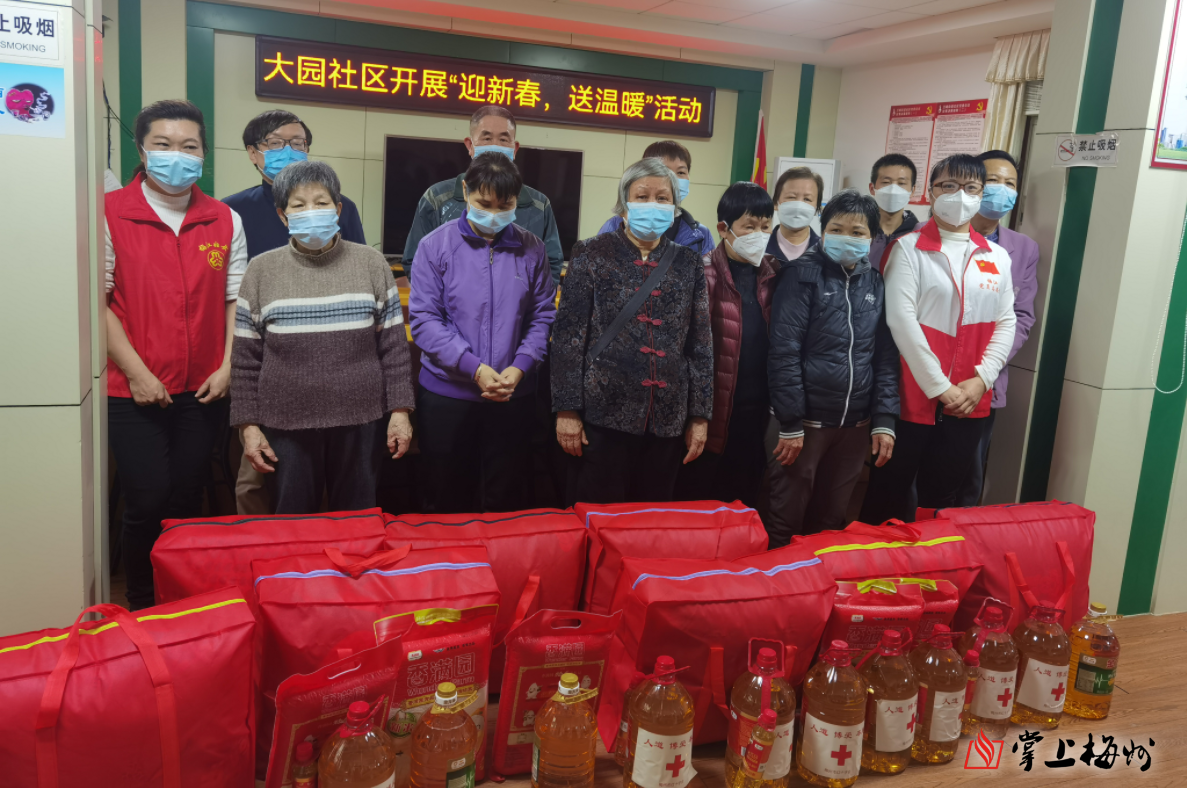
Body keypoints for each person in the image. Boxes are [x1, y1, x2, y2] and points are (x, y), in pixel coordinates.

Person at [105, 99, 248, 610]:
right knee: (146, 499)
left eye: (189, 146)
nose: (177, 156)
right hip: (132, 389)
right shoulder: (108, 212)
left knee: (187, 498)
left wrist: (228, 366)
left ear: (203, 154)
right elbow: (96, 304)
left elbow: (235, 300)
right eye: (163, 145)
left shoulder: (224, 219)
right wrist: (137, 373)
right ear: (142, 150)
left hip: (204, 388)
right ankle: (143, 603)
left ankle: (181, 603)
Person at [231, 160, 415, 514]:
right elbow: (245, 360)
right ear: (283, 215)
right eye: (299, 205)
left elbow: (393, 349)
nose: (311, 211)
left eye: (321, 202)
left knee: (357, 517)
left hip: (362, 417)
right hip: (285, 422)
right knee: (293, 519)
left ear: (338, 209)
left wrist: (400, 412)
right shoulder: (260, 270)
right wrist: (248, 427)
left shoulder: (372, 264)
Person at [223, 109, 368, 515]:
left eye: (298, 143)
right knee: (260, 478)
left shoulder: (342, 209)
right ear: (253, 153)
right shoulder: (232, 212)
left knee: (331, 479)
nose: (288, 150)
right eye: (275, 143)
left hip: (332, 363)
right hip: (264, 361)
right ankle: (267, 548)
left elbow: (355, 271)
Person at [859, 154, 1016, 524]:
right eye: (949, 186)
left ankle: (929, 561)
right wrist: (940, 387)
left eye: (971, 188)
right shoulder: (908, 249)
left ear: (980, 195)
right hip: (912, 398)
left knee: (942, 499)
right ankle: (876, 559)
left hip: (969, 401)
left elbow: (1006, 321)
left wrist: (982, 379)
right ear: (930, 193)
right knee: (888, 495)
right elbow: (901, 322)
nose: (960, 195)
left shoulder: (996, 256)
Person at [551, 158, 713, 503]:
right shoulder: (591, 253)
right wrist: (566, 410)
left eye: (662, 198)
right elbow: (568, 337)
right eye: (642, 196)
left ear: (675, 206)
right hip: (602, 414)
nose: (653, 204)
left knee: (651, 518)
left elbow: (700, 343)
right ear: (624, 204)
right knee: (597, 513)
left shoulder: (689, 262)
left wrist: (700, 416)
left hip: (668, 418)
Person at [409, 153, 556, 513]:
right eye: (483, 203)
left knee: (506, 499)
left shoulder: (533, 248)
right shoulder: (434, 246)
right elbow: (425, 320)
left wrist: (520, 367)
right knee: (445, 498)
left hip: (512, 394)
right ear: (465, 191)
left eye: (504, 206)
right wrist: (473, 368)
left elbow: (542, 316)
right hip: (448, 394)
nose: (493, 214)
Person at [766, 191, 899, 544]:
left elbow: (885, 356)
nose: (846, 237)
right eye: (837, 229)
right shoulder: (799, 275)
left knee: (831, 522)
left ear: (872, 237)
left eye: (857, 232)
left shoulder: (875, 282)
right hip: (805, 424)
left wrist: (884, 419)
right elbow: (784, 351)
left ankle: (820, 578)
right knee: (784, 519)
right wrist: (790, 422)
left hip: (855, 425)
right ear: (823, 231)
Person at [674, 182, 777, 507]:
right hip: (712, 412)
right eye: (749, 226)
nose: (759, 234)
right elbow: (687, 351)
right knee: (700, 501)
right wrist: (695, 416)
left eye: (765, 227)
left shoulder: (774, 274)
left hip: (757, 412)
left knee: (744, 502)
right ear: (723, 228)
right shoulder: (701, 273)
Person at [953, 149, 1039, 505]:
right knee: (918, 474)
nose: (1001, 189)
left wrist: (983, 373)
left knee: (968, 473)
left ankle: (958, 538)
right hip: (931, 374)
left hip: (983, 381)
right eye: (992, 181)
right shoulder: (938, 236)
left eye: (1010, 183)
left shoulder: (1023, 248)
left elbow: (1021, 317)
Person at [404, 105, 564, 282]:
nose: (495, 146)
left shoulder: (539, 205)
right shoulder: (436, 198)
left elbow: (551, 265)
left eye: (503, 139)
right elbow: (416, 262)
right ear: (470, 145)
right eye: (487, 138)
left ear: (515, 149)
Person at [598, 140, 716, 260]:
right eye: (664, 171)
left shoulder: (701, 235)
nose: (673, 179)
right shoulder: (614, 226)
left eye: (681, 172)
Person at [867, 153, 921, 273]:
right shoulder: (858, 231)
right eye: (886, 182)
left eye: (901, 183)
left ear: (912, 190)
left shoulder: (918, 235)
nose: (893, 190)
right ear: (872, 188)